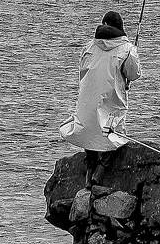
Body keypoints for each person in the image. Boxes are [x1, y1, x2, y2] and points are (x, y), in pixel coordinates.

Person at [58, 11, 142, 180]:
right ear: (121, 28)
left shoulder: (89, 46)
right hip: (111, 100)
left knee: (90, 131)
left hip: (87, 99)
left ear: (103, 24)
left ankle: (90, 169)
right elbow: (134, 74)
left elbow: (82, 71)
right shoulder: (127, 49)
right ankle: (100, 171)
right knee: (112, 135)